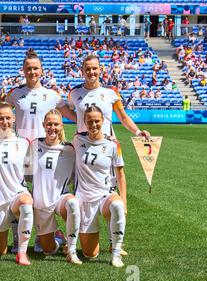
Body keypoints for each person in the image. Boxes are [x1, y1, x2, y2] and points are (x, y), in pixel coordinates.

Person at [0, 49, 75, 253]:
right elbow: (1, 113)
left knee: (40, 196)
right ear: (23, 70)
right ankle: (20, 239)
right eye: (28, 68)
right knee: (19, 194)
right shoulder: (16, 93)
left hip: (45, 152)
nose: (32, 72)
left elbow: (70, 115)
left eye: (35, 68)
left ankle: (43, 235)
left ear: (42, 70)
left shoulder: (52, 95)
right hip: (20, 151)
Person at [67, 54, 150, 255]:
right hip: (84, 149)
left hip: (108, 147)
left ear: (100, 70)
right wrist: (79, 133)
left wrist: (138, 132)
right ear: (82, 70)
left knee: (112, 190)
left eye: (94, 68)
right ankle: (77, 236)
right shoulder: (74, 93)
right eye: (87, 68)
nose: (91, 72)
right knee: (84, 192)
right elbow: (71, 113)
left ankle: (115, 242)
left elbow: (122, 116)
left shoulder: (111, 92)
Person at [72, 106, 127, 267]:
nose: (93, 124)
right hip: (85, 198)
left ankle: (116, 254)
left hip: (105, 195)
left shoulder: (113, 144)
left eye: (97, 121)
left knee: (117, 206)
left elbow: (120, 174)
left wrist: (124, 200)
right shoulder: (77, 140)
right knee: (90, 254)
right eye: (90, 121)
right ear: (84, 122)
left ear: (103, 121)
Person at [0, 103, 33, 266]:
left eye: (7, 118)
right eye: (1, 118)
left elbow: (32, 167)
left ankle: (22, 252)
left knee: (26, 203)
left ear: (14, 119)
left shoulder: (24, 143)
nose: (4, 121)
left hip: (18, 194)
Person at [30, 109, 82, 265]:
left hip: (61, 197)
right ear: (43, 125)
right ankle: (59, 237)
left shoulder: (70, 149)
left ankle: (72, 250)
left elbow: (78, 175)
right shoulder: (33, 145)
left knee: (72, 203)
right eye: (49, 124)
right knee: (49, 250)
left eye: (56, 124)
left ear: (61, 126)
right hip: (41, 203)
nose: (52, 128)